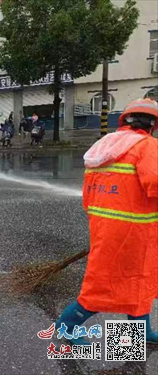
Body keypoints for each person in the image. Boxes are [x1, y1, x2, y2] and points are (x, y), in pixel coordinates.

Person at [55, 98, 158, 346]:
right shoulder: (147, 146)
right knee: (108, 282)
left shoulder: (104, 145)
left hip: (105, 225)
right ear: (152, 124)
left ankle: (139, 331)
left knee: (135, 279)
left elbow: (90, 192)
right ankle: (66, 326)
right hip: (134, 230)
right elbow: (155, 183)